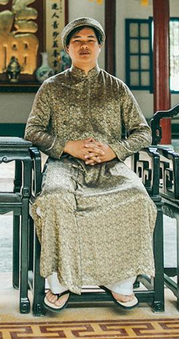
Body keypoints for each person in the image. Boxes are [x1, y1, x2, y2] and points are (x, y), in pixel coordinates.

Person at [25, 17, 156, 312]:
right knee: (57, 199)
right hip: (65, 166)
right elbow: (32, 130)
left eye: (90, 41)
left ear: (99, 47)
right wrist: (65, 146)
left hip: (110, 168)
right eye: (77, 41)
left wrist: (114, 150)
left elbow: (143, 132)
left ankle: (120, 281)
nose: (84, 46)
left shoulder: (116, 88)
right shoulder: (52, 87)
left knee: (136, 197)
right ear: (67, 49)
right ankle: (59, 283)